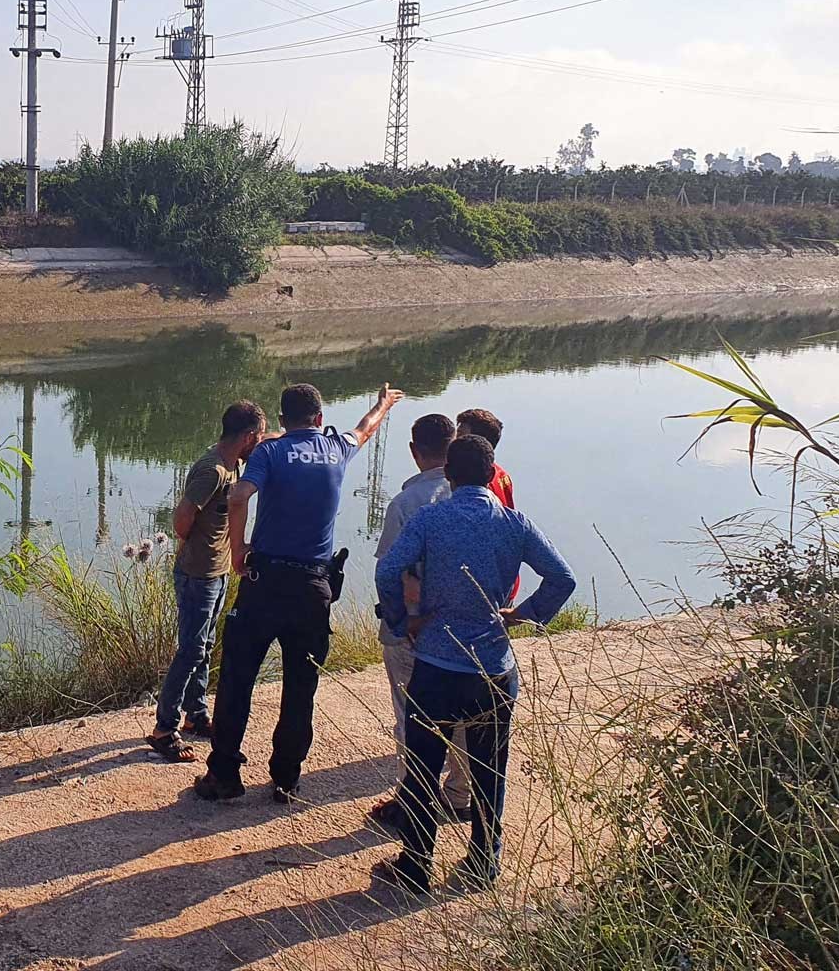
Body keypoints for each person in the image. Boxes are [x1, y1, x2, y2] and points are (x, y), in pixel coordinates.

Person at [373, 434, 576, 895]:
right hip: (492, 667)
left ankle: (417, 863)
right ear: (492, 474)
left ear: (448, 473)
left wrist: (403, 619)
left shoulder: (429, 519)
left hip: (437, 664)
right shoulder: (514, 523)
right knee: (489, 768)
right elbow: (563, 577)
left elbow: (388, 571)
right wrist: (524, 615)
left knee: (425, 766)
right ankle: (484, 861)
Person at [194, 381, 404, 803]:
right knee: (300, 685)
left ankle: (224, 776)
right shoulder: (336, 447)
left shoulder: (270, 452)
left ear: (283, 419)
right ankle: (286, 778)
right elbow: (365, 428)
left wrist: (239, 552)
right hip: (313, 587)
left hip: (265, 582)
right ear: (320, 419)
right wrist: (383, 403)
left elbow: (238, 496)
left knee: (237, 679)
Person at [148, 400, 268, 762]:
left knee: (205, 644)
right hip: (197, 574)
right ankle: (163, 728)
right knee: (191, 650)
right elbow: (181, 520)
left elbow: (273, 438)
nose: (261, 443)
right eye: (258, 437)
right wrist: (197, 546)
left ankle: (196, 715)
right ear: (247, 436)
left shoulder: (236, 463)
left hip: (215, 572)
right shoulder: (213, 470)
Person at [364, 412, 461, 833]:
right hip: (464, 626)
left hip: (416, 628)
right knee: (462, 714)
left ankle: (412, 798)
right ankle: (460, 795)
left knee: (411, 714)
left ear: (413, 451)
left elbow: (389, 570)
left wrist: (399, 622)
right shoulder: (475, 493)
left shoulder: (407, 504)